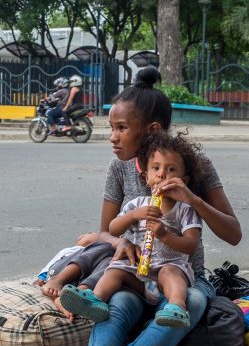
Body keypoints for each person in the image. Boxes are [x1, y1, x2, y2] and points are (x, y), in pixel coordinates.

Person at [36, 66, 242, 346]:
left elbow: (233, 234)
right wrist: (121, 243)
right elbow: (106, 231)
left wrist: (193, 198)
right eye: (111, 128)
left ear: (152, 130)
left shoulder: (192, 166)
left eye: (121, 128)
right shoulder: (119, 169)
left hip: (181, 276)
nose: (112, 138)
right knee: (117, 302)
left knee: (192, 301)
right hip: (137, 275)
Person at [58, 131, 204, 329]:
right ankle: (95, 300)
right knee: (116, 269)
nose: (161, 174)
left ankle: (176, 307)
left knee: (170, 271)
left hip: (168, 278)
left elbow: (191, 245)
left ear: (183, 181)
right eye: (156, 168)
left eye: (171, 169)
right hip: (143, 282)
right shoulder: (137, 205)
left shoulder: (185, 210)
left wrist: (164, 235)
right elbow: (112, 228)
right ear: (146, 176)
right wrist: (133, 216)